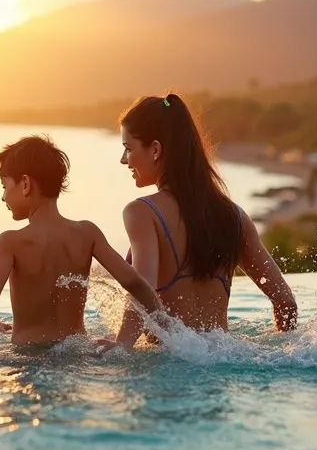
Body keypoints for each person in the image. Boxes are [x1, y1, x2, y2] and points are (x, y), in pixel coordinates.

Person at [0, 135, 166, 353]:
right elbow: (135, 282)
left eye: (4, 186)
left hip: (29, 357)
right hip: (77, 353)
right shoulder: (87, 233)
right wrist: (167, 331)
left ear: (25, 184)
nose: (3, 197)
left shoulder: (10, 242)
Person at [106, 94, 297, 350]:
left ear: (155, 149)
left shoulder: (142, 212)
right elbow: (286, 303)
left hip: (170, 371)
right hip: (225, 365)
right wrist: (282, 348)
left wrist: (121, 346)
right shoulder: (235, 217)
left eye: (128, 148)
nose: (123, 159)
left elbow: (144, 290)